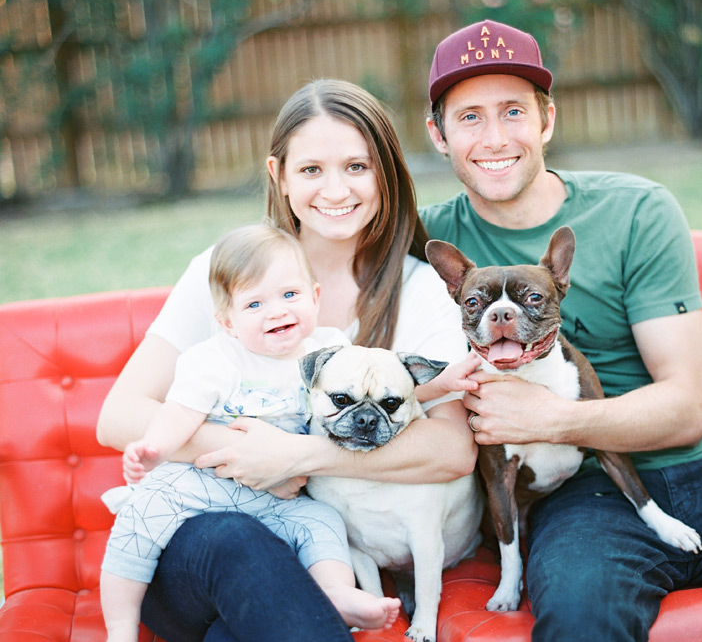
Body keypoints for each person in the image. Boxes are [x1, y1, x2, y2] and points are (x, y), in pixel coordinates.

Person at [419, 19, 702, 642]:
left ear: (546, 120)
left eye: (513, 111)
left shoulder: (637, 209)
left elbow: (686, 409)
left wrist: (548, 418)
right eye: (469, 117)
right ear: (437, 135)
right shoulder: (424, 240)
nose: (495, 136)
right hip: (579, 492)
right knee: (584, 618)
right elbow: (309, 262)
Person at [96, 79, 479, 642]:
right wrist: (247, 449)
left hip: (305, 554)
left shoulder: (419, 290)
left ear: (388, 174)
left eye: (357, 166)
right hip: (198, 544)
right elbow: (118, 416)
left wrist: (298, 454)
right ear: (277, 175)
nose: (336, 190)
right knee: (237, 542)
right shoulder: (230, 271)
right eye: (310, 170)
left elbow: (451, 449)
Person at [99, 223, 402, 642]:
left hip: (276, 500)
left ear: (315, 297)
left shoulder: (328, 352)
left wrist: (438, 385)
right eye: (255, 303)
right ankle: (119, 626)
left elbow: (383, 379)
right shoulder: (217, 359)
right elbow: (181, 412)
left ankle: (335, 591)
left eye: (290, 295)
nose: (276, 311)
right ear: (226, 321)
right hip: (201, 490)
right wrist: (155, 449)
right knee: (140, 524)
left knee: (321, 519)